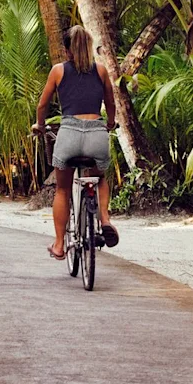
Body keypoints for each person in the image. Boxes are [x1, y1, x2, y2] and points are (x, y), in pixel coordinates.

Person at [32, 25, 119, 260]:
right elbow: (110, 104)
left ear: (66, 49)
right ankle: (105, 220)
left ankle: (60, 244)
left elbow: (42, 105)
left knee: (62, 189)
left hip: (69, 132)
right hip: (96, 134)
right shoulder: (100, 71)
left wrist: (40, 125)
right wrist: (110, 123)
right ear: (89, 47)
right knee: (100, 178)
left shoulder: (58, 71)